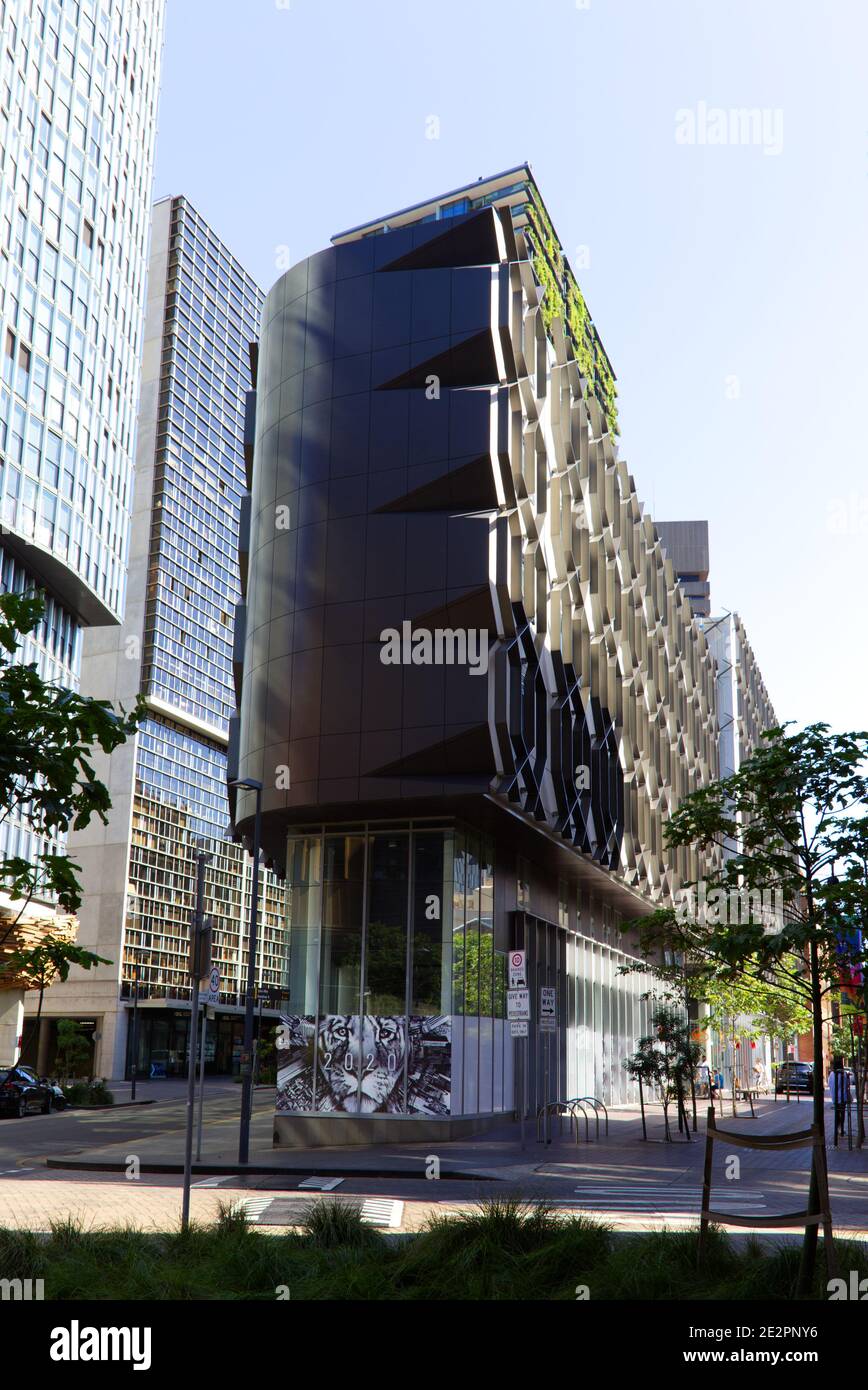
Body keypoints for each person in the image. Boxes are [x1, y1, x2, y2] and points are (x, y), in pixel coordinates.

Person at [829, 1056, 851, 1136]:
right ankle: (841, 1128)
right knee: (842, 1113)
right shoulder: (844, 1074)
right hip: (843, 1097)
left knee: (837, 1113)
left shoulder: (831, 1074)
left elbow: (830, 1085)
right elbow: (847, 1085)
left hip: (835, 1097)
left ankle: (837, 1128)